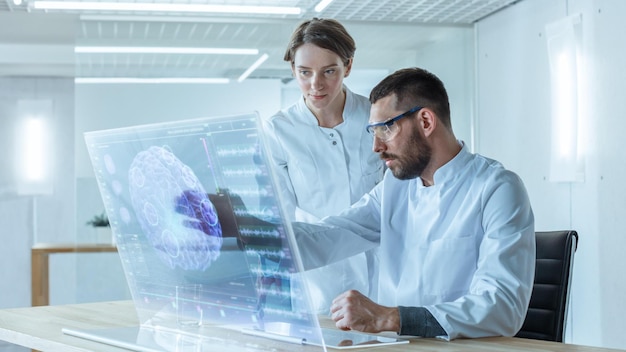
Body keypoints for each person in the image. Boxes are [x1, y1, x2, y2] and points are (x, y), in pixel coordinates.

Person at [292, 67, 536, 340]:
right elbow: (333, 234)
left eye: (386, 128)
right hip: (394, 347)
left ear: (426, 122)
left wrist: (388, 317)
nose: (376, 146)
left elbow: (502, 308)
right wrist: (251, 232)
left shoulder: (497, 188)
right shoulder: (395, 187)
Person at [262, 18, 384, 313]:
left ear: (348, 67)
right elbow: (280, 212)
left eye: (329, 71)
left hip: (380, 276)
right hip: (317, 285)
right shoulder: (279, 129)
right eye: (305, 72)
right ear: (293, 69)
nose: (316, 85)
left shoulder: (377, 118)